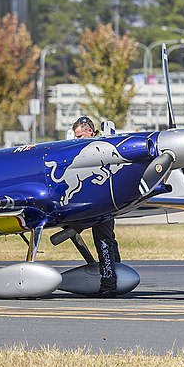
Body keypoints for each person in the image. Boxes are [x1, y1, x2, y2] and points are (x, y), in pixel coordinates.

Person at [72, 116, 120, 297]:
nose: (76, 140)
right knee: (108, 239)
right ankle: (116, 276)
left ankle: (109, 284)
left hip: (101, 203)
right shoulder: (88, 148)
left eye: (79, 136)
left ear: (90, 132)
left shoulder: (99, 147)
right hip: (94, 203)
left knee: (103, 240)